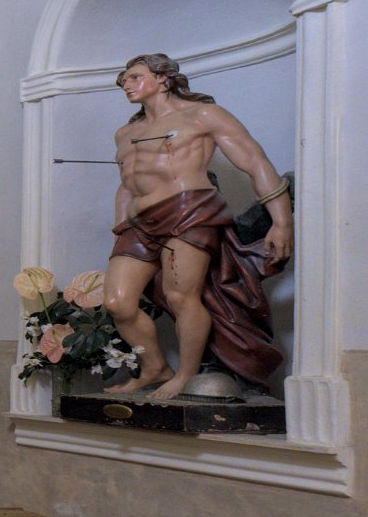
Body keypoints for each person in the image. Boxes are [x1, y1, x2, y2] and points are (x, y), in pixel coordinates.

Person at [103, 53, 293, 400]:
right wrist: (120, 227)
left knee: (180, 296)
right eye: (123, 81)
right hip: (139, 223)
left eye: (134, 77)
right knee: (118, 302)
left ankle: (186, 374)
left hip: (189, 211)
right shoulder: (126, 133)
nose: (126, 85)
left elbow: (254, 161)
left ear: (163, 78)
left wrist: (281, 221)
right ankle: (155, 367)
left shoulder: (203, 115)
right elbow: (126, 185)